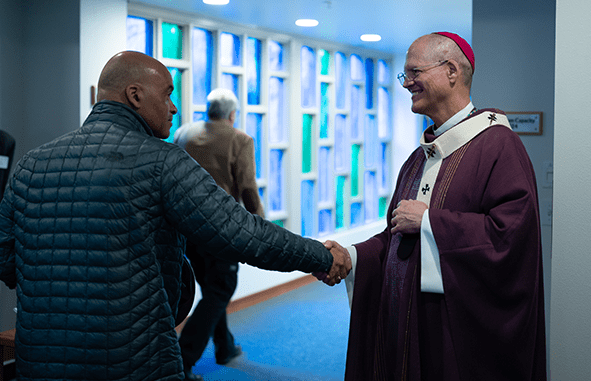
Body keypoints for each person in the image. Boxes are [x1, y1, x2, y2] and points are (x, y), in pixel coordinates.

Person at [0, 51, 351, 381]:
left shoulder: (31, 164)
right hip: (136, 360)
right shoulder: (160, 161)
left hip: (39, 362)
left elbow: (5, 258)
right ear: (135, 95)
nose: (174, 106)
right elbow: (242, 233)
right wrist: (320, 255)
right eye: (167, 94)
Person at [331, 32, 547, 380]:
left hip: (454, 334)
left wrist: (432, 223)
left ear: (451, 71)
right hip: (407, 325)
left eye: (414, 72)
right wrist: (352, 257)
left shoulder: (499, 147)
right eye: (405, 75)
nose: (406, 84)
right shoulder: (419, 158)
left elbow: (511, 238)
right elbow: (397, 237)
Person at [173, 88, 263, 379]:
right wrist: (260, 226)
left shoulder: (184, 133)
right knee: (220, 289)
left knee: (213, 289)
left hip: (185, 228)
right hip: (220, 230)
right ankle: (182, 360)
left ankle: (224, 346)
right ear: (232, 114)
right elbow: (248, 188)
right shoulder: (240, 139)